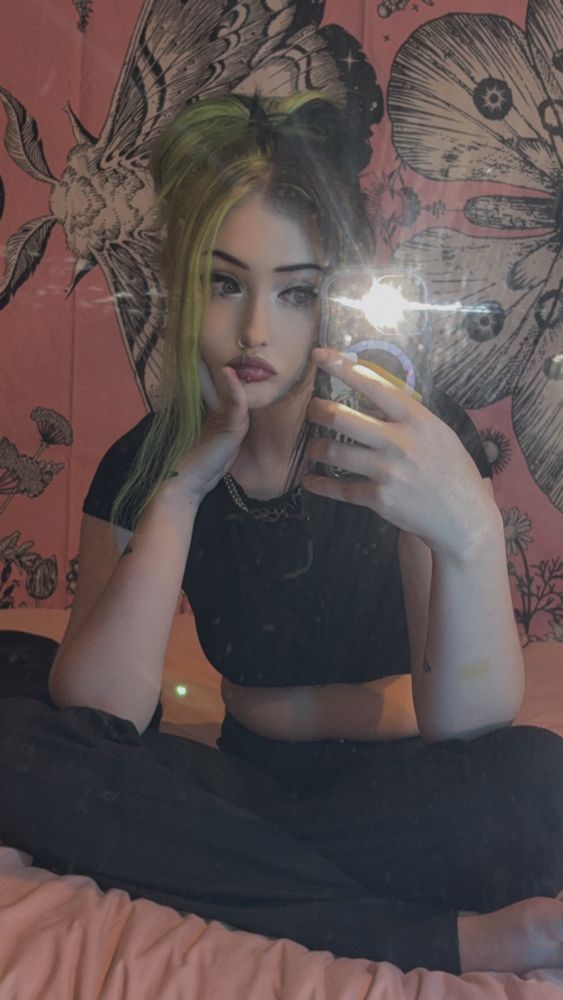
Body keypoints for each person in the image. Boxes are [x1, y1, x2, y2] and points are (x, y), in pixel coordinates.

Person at [0, 92, 562, 976]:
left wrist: (471, 533)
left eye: (295, 293)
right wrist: (182, 489)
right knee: (14, 717)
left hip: (404, 794)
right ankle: (420, 931)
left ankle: (234, 879)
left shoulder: (407, 440)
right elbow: (102, 713)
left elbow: (467, 725)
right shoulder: (144, 463)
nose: (256, 330)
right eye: (225, 284)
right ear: (180, 284)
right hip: (238, 786)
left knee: (535, 784)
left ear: (330, 300)